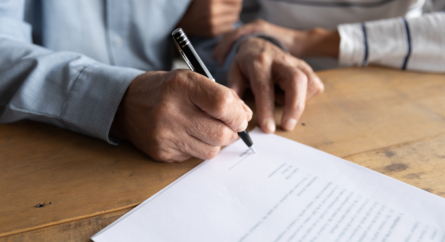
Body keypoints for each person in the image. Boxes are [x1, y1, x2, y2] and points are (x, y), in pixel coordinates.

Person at [0, 0, 323, 162]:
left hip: (170, 145)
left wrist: (244, 45)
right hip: (38, 153)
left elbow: (205, 33)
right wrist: (119, 100)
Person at [213, 0, 445, 72]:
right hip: (275, 79)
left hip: (397, 77)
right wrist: (248, 44)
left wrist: (308, 41)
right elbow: (229, 21)